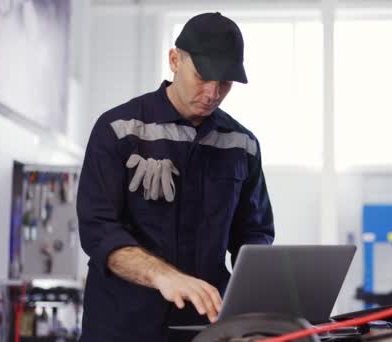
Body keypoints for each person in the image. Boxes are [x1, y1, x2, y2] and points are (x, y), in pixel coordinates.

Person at [77, 12, 275, 342]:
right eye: (202, 77)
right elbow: (98, 231)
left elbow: (253, 234)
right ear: (174, 60)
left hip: (205, 330)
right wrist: (164, 277)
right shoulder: (120, 130)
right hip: (121, 329)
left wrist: (252, 302)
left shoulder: (241, 145)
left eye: (224, 83)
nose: (212, 93)